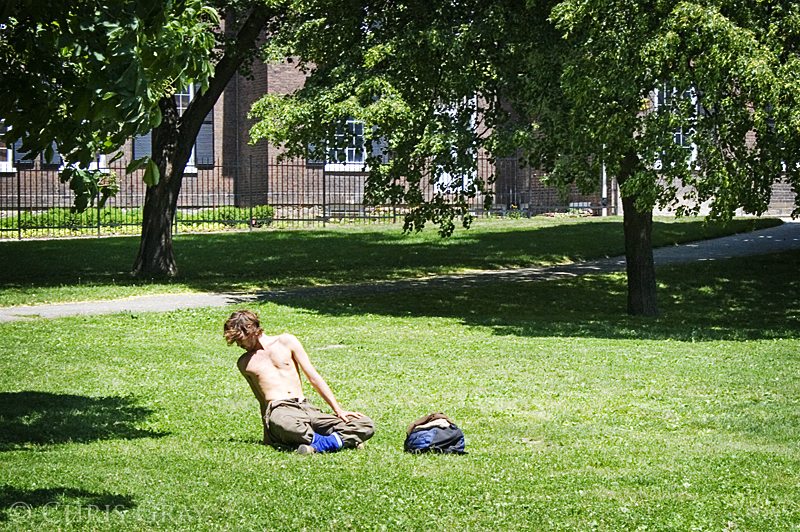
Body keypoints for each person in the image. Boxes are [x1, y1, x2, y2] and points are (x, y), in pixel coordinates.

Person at [224, 309, 374, 454]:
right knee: (288, 426)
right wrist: (268, 434)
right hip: (280, 410)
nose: (238, 345)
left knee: (365, 424)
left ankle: (318, 445)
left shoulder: (286, 341)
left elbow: (313, 377)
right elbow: (261, 400)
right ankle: (340, 441)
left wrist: (338, 410)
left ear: (249, 328)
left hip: (305, 407)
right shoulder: (244, 363)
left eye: (239, 339)